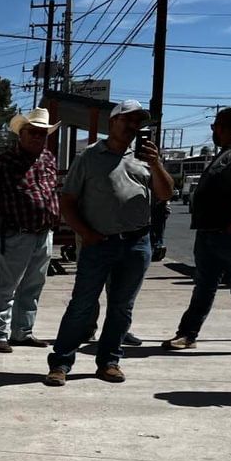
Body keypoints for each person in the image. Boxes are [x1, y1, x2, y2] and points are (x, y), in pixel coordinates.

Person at [45, 99, 174, 386]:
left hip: (136, 244)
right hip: (98, 243)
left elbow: (165, 194)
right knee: (82, 304)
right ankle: (61, 362)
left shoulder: (145, 158)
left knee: (121, 307)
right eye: (127, 119)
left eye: (137, 122)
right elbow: (67, 200)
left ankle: (109, 362)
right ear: (112, 122)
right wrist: (85, 233)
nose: (132, 126)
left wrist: (156, 164)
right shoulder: (90, 156)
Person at [162, 106, 231, 359]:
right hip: (210, 233)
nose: (213, 131)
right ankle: (187, 334)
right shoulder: (227, 151)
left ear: (223, 126)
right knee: (204, 286)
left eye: (214, 126)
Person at [0, 107, 60, 353]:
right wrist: (4, 221)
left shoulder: (48, 158)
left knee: (33, 286)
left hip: (44, 233)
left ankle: (22, 332)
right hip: (16, 232)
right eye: (33, 133)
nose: (37, 137)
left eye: (42, 134)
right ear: (21, 134)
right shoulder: (5, 161)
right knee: (6, 286)